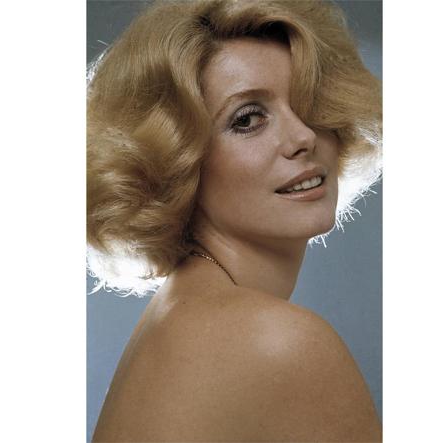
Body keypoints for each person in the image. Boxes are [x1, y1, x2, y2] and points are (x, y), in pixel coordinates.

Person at [87, 0, 382, 441]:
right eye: (248, 119)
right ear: (176, 162)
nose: (303, 136)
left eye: (308, 101)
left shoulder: (179, 314)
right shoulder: (277, 340)